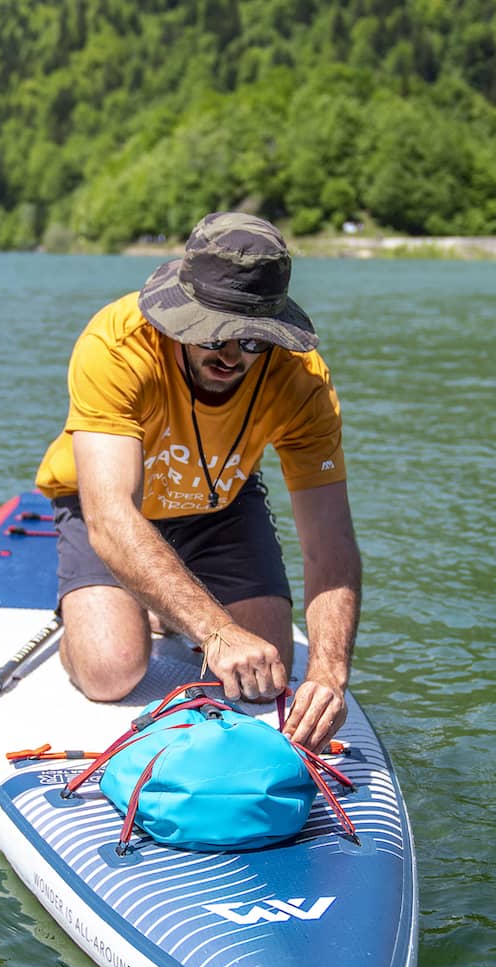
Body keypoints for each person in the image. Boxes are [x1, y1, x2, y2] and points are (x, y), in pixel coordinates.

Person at [33, 211, 361, 752]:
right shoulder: (118, 345)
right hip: (117, 508)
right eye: (212, 333)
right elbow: (112, 517)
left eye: (253, 340)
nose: (231, 355)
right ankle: (97, 608)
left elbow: (331, 542)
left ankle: (171, 604)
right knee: (111, 670)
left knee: (265, 672)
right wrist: (216, 630)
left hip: (222, 502)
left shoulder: (304, 383)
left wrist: (329, 672)